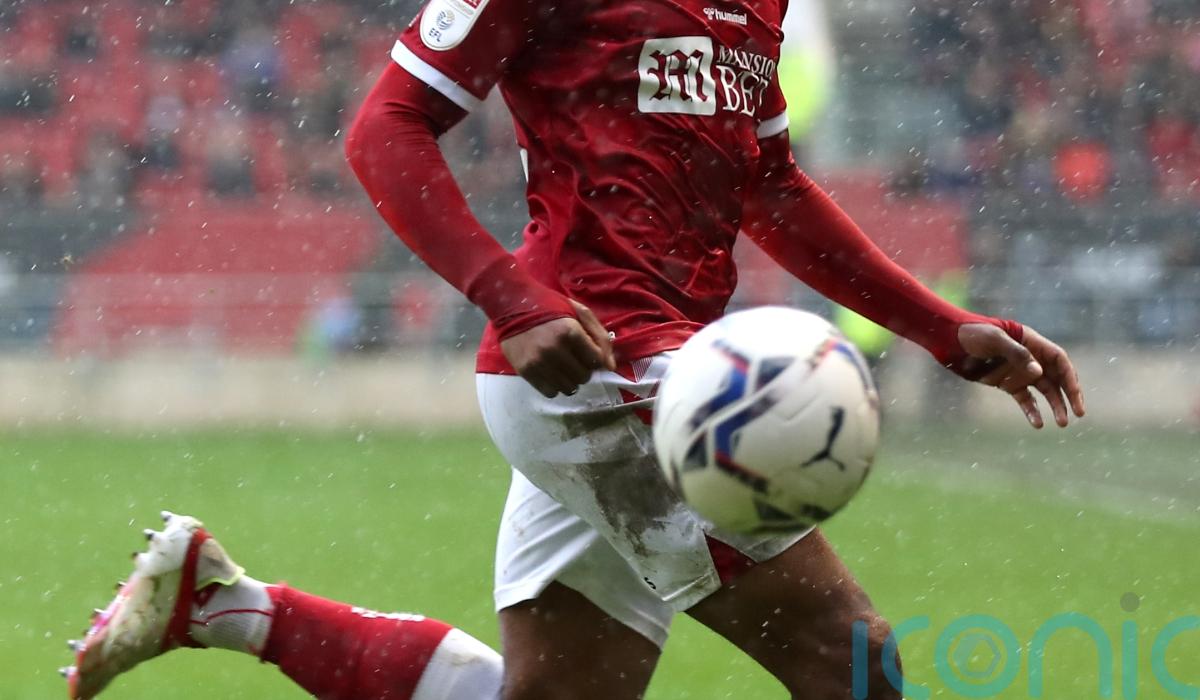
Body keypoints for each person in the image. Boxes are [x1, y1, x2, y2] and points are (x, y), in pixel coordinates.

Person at [61, 0, 1086, 696]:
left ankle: (229, 606)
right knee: (850, 661)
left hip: (656, 368)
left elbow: (769, 185)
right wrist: (512, 300)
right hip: (602, 367)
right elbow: (385, 127)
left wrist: (941, 327)